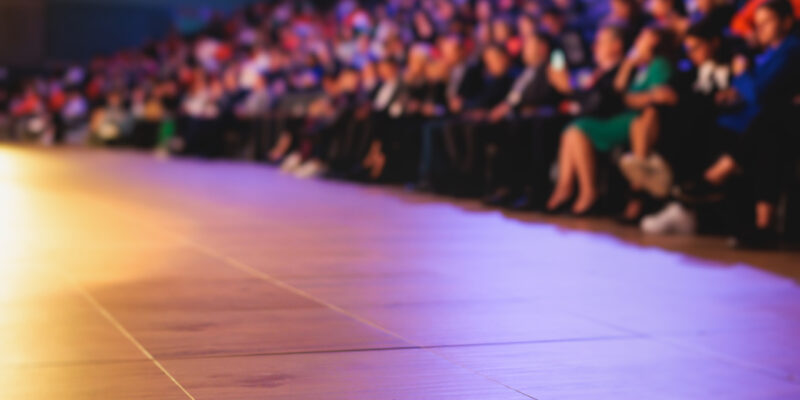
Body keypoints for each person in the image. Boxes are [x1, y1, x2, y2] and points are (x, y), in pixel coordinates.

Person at [547, 26, 674, 216]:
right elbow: (621, 90)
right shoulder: (640, 66)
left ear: (655, 41)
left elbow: (659, 96)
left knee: (577, 128)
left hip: (637, 120)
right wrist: (628, 65)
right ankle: (568, 188)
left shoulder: (659, 63)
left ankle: (587, 192)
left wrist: (633, 98)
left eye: (643, 37)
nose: (637, 42)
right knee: (572, 129)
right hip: (627, 115)